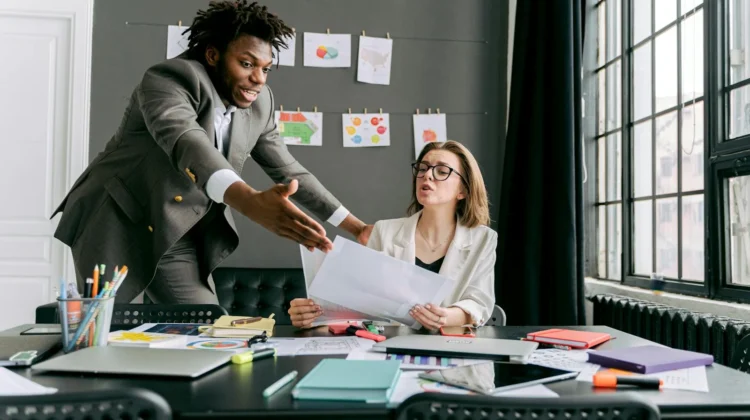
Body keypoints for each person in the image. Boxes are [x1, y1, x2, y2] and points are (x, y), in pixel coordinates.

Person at [51, 1, 372, 304]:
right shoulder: (169, 80)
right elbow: (186, 141)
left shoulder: (261, 103)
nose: (258, 78)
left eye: (266, 68)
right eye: (246, 64)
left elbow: (289, 170)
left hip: (178, 230)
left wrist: (356, 227)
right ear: (213, 55)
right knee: (104, 331)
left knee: (201, 327)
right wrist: (247, 200)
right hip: (117, 221)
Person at [289, 141, 498, 330]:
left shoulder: (483, 239)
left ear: (463, 190)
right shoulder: (384, 231)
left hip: (453, 350)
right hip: (389, 348)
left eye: (442, 171)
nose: (427, 175)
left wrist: (447, 317)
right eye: (422, 168)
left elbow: (479, 302)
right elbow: (360, 304)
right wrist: (314, 315)